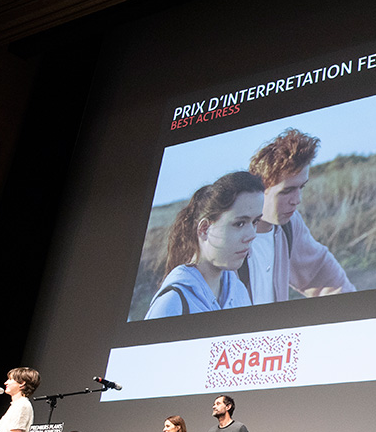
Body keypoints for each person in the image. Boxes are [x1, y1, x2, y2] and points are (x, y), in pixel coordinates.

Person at [243, 128, 356, 303]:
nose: (297, 200)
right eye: (287, 191)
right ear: (259, 189)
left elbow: (321, 274)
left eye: (301, 187)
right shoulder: (225, 234)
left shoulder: (290, 224)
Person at [145, 171, 264, 318]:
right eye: (239, 223)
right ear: (204, 229)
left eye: (255, 222)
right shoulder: (172, 302)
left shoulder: (239, 291)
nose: (252, 235)